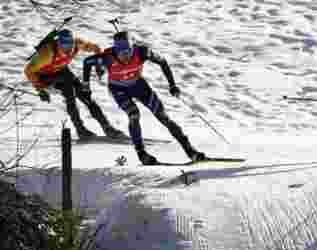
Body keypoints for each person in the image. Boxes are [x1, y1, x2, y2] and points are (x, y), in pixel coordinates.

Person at [83, 31, 205, 166]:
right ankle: (142, 154)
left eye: (128, 52)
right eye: (122, 53)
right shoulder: (107, 57)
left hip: (139, 85)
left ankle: (190, 151)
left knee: (163, 116)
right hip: (118, 89)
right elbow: (87, 62)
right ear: (116, 51)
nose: (125, 56)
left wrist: (172, 85)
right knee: (134, 114)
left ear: (132, 48)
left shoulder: (142, 52)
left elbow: (162, 61)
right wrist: (86, 86)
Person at [23, 28, 125, 140]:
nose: (68, 48)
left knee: (86, 96)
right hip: (45, 76)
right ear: (58, 43)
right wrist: (40, 89)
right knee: (70, 94)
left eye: (70, 44)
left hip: (61, 71)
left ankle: (108, 128)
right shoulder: (47, 53)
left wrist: (99, 65)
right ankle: (80, 129)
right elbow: (29, 70)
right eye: (64, 45)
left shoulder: (77, 44)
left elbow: (96, 48)